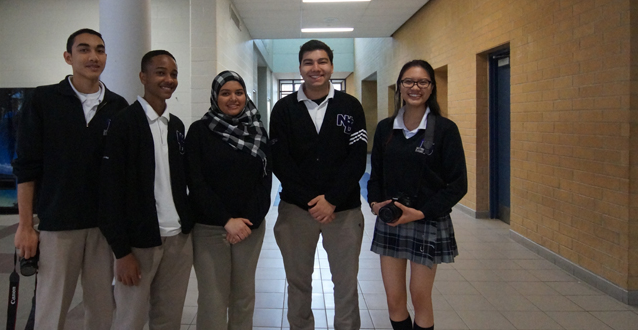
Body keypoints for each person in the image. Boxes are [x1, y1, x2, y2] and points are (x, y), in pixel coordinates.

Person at [12, 28, 129, 330]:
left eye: (100, 50)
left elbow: (124, 172)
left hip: (104, 228)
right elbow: (26, 167)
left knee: (102, 309)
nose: (93, 57)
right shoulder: (44, 100)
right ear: (68, 57)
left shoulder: (118, 107)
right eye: (84, 49)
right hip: (57, 226)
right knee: (51, 310)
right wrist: (25, 226)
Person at [269, 39, 367, 330]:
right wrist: (314, 201)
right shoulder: (284, 109)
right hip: (297, 211)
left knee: (345, 283)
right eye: (309, 62)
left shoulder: (350, 106)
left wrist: (332, 199)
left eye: (322, 61)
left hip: (344, 211)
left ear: (331, 66)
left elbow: (357, 159)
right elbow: (280, 160)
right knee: (298, 282)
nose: (316, 68)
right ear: (300, 67)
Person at [367, 60, 467, 330]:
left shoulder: (445, 130)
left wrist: (421, 211)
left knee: (420, 296)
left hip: (427, 220)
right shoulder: (386, 128)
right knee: (394, 299)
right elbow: (375, 176)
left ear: (431, 88)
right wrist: (376, 204)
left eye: (423, 82)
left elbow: (458, 184)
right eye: (408, 81)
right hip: (391, 221)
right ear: (399, 87)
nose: (415, 87)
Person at [101, 50, 192, 330]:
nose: (169, 79)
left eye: (173, 74)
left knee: (169, 319)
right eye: (161, 72)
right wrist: (122, 252)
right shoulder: (124, 123)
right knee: (130, 319)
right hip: (139, 244)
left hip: (177, 239)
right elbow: (109, 192)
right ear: (143, 77)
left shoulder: (176, 126)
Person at [187, 70, 272, 330]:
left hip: (249, 229)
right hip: (210, 228)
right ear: (215, 97)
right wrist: (226, 221)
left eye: (239, 92)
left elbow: (265, 180)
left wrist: (249, 222)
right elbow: (196, 183)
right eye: (225, 93)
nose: (233, 98)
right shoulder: (200, 131)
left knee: (244, 297)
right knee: (213, 299)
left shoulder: (257, 130)